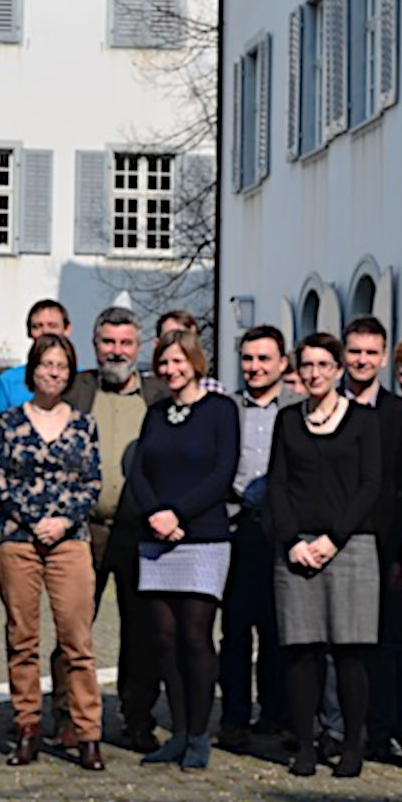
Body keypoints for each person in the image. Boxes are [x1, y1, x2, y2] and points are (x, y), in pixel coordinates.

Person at [0, 332, 106, 770]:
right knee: (23, 639)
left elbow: (92, 482)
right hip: (18, 540)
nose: (53, 373)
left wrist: (63, 520)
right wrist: (35, 517)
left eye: (61, 366)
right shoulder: (8, 423)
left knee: (77, 640)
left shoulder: (83, 424)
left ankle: (88, 732)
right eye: (46, 364)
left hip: (69, 542)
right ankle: (27, 727)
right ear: (32, 370)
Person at [270, 333, 382, 777]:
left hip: (350, 546)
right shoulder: (287, 420)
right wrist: (293, 540)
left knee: (350, 652)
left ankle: (352, 745)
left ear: (338, 369)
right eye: (308, 365)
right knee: (301, 650)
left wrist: (333, 539)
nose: (315, 374)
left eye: (323, 365)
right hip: (296, 548)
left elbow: (370, 485)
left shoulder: (363, 420)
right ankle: (305, 746)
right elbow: (277, 484)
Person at [130, 329, 240, 770]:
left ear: (196, 362)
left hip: (204, 537)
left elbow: (222, 472)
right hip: (156, 539)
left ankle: (199, 733)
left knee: (196, 637)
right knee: (165, 639)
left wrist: (179, 513)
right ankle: (176, 731)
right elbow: (139, 470)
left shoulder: (220, 410)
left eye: (179, 361)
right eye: (164, 363)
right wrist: (156, 513)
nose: (171, 370)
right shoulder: (155, 413)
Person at [62, 306, 170, 752]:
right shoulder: (76, 389)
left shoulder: (159, 394)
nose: (116, 351)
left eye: (125, 343)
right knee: (74, 625)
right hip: (84, 527)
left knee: (142, 630)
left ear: (138, 347)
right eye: (108, 342)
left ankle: (137, 716)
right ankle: (68, 716)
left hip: (139, 529)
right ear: (95, 344)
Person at [340, 317, 402, 764]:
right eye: (355, 351)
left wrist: (400, 556)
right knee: (342, 643)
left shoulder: (401, 413)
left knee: (391, 643)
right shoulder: (325, 405)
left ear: (383, 356)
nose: (362, 360)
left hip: (386, 545)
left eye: (371, 353)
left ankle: (391, 728)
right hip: (335, 545)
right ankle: (342, 729)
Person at [216, 325, 291, 751]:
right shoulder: (227, 408)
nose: (255, 367)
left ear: (283, 363)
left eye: (265, 359)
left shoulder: (297, 408)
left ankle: (276, 714)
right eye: (248, 358)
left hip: (280, 530)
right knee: (236, 631)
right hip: (236, 525)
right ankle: (234, 716)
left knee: (278, 629)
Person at [0, 300, 71, 411]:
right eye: (37, 326)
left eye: (52, 325)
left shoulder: (81, 380)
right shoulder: (9, 380)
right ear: (29, 332)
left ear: (67, 329)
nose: (45, 331)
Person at [156, 309, 227, 394]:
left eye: (183, 337)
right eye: (169, 337)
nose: (175, 343)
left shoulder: (212, 392)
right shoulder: (146, 390)